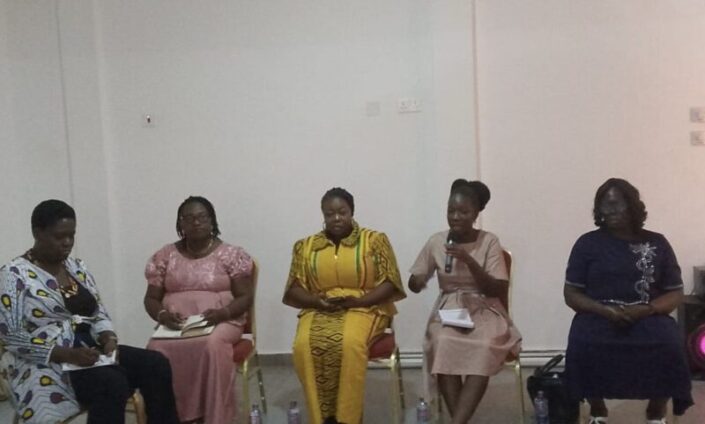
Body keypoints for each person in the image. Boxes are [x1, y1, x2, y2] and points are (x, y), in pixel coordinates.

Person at [0, 199, 179, 424]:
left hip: (90, 351)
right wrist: (67, 354)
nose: (67, 243)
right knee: (111, 382)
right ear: (38, 233)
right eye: (59, 236)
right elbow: (12, 337)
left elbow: (98, 312)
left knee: (155, 364)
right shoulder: (13, 274)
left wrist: (108, 338)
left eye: (71, 235)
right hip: (47, 361)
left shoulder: (76, 268)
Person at [563, 178, 693, 424]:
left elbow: (675, 293)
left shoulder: (657, 242)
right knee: (583, 341)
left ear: (633, 206)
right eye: (605, 204)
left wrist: (648, 309)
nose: (611, 210)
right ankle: (598, 411)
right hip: (599, 314)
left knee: (670, 343)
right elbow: (571, 293)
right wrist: (604, 310)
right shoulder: (587, 244)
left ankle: (656, 412)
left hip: (648, 314)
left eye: (618, 204)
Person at [282, 187, 406, 424]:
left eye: (342, 212)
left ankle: (347, 418)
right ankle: (322, 417)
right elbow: (294, 288)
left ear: (352, 212)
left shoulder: (374, 240)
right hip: (320, 307)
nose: (336, 218)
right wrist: (316, 301)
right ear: (323, 215)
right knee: (303, 345)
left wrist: (359, 301)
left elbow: (390, 282)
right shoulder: (306, 246)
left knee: (349, 343)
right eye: (330, 214)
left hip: (366, 306)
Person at [408, 179, 522, 424]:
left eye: (463, 212)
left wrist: (469, 260)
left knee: (484, 345)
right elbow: (413, 283)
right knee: (442, 341)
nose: (455, 217)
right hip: (450, 307)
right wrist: (418, 280)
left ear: (476, 214)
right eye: (451, 211)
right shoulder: (437, 241)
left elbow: (497, 288)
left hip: (484, 307)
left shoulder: (489, 241)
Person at [143, 195, 254, 424]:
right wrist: (162, 315)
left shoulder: (231, 255)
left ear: (212, 220)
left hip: (222, 320)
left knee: (211, 345)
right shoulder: (164, 256)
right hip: (177, 325)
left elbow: (245, 296)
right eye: (189, 218)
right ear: (180, 224)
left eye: (202, 217)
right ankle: (169, 417)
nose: (196, 222)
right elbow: (151, 298)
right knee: (155, 349)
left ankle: (214, 416)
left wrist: (223, 314)